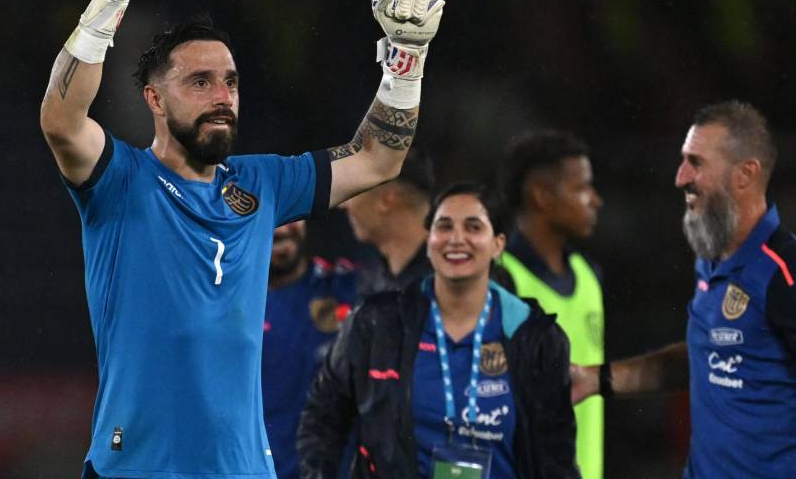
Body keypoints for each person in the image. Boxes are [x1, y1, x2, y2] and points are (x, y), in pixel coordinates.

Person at [39, 0, 444, 479]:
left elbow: (377, 161)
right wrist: (105, 5)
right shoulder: (122, 179)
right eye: (199, 82)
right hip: (134, 466)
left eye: (230, 82)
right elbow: (61, 122)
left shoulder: (263, 182)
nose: (222, 96)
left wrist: (406, 60)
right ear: (155, 99)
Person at [571, 101, 796, 478]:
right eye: (682, 160)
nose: (680, 177)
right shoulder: (713, 260)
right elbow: (711, 355)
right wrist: (596, 379)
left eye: (697, 162)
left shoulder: (783, 275)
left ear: (745, 174)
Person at [297, 183, 579, 479]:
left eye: (473, 227)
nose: (456, 239)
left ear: (498, 244)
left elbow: (555, 455)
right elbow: (322, 418)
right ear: (429, 241)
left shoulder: (537, 338)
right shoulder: (376, 324)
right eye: (443, 227)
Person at [496, 130, 605, 479]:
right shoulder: (500, 280)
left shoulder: (590, 276)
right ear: (540, 195)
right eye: (582, 188)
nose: (595, 200)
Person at [262, 221, 356, 479]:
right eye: (268, 218)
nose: (280, 229)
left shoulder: (348, 286)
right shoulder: (217, 299)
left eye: (289, 214)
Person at [339, 146, 435, 297]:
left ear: (386, 201)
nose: (343, 205)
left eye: (352, 193)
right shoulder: (370, 282)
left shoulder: (451, 282)